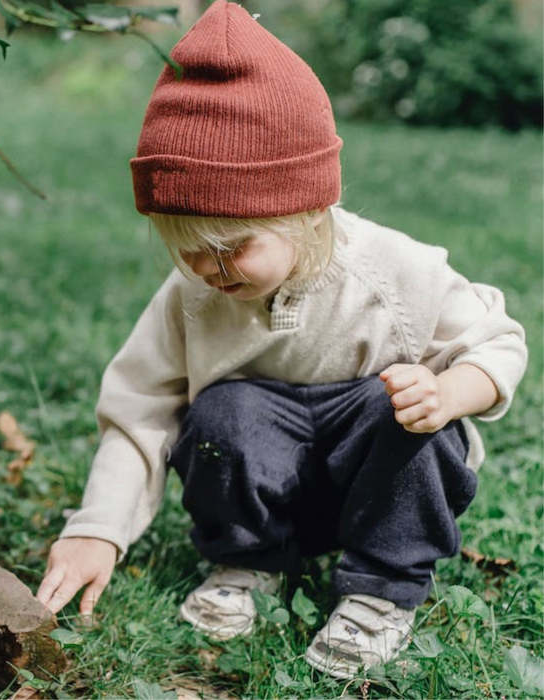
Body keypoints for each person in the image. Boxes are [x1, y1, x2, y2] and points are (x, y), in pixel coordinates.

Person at [37, 0, 528, 679]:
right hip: (263, 483)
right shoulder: (194, 299)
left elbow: (499, 342)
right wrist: (97, 529)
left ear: (304, 208)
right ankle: (248, 560)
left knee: (412, 419)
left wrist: (448, 392)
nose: (212, 270)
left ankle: (379, 594)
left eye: (232, 246)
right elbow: (139, 411)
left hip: (371, 481)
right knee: (223, 412)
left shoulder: (392, 273)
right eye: (189, 252)